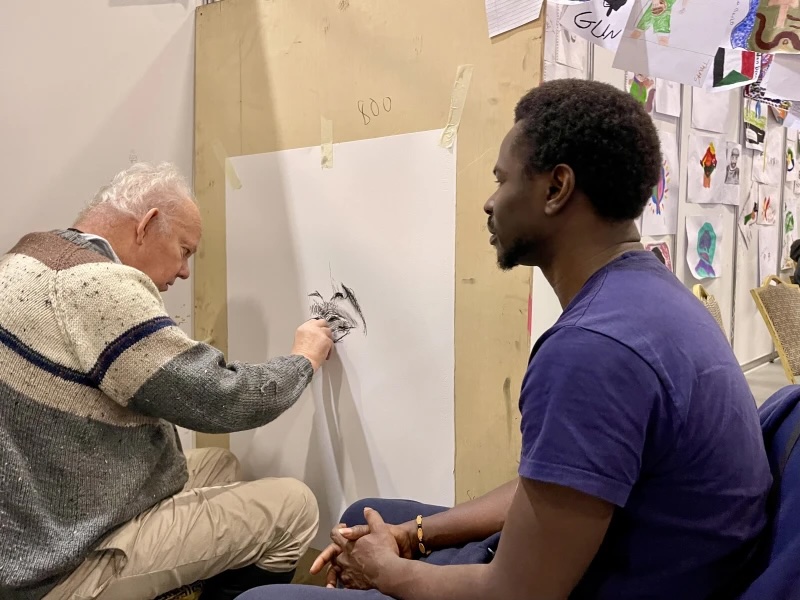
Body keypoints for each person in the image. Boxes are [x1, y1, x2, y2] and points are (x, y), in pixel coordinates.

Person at [241, 80, 772, 600]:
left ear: (556, 188)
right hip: (638, 556)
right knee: (366, 518)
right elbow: (556, 485)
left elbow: (521, 591)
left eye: (502, 179)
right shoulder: (653, 296)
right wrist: (413, 535)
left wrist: (387, 571)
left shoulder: (591, 350)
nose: (490, 202)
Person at [0, 163, 334, 600]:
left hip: (37, 518)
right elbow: (218, 396)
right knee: (296, 507)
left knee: (222, 467)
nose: (184, 273)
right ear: (148, 224)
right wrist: (303, 358)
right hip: (60, 566)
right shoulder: (99, 288)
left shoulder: (30, 257)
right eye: (184, 250)